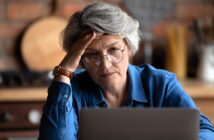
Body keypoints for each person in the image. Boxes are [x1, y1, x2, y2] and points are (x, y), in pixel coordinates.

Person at [39, 2, 214, 140]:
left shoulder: (160, 84)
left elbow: (204, 130)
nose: (105, 65)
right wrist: (64, 72)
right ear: (81, 60)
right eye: (92, 55)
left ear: (128, 47)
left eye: (114, 50)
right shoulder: (71, 90)